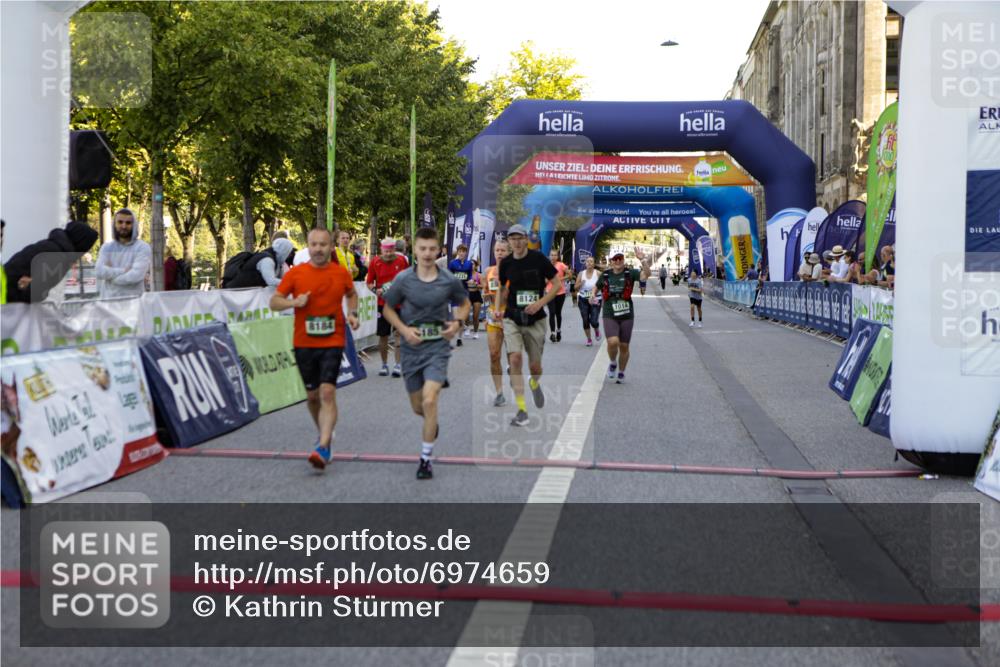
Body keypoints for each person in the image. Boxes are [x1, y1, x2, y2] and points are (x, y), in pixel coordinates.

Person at [381, 227, 470, 480]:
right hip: (411, 350)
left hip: (437, 349)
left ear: (439, 250)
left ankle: (425, 459)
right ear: (415, 250)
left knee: (430, 401)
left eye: (432, 249)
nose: (428, 254)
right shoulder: (403, 280)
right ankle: (432, 424)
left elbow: (463, 304)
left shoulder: (448, 279)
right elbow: (388, 310)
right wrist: (403, 330)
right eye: (423, 249)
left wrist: (457, 323)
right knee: (418, 407)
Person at [269, 228, 359, 471]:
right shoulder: (297, 274)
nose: (318, 249)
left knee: (328, 393)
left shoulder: (341, 273)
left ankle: (323, 445)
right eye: (314, 244)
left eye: (323, 244)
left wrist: (352, 313)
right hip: (304, 342)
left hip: (333, 340)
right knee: (312, 397)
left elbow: (352, 295)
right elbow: (274, 301)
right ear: (307, 246)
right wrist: (293, 302)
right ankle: (324, 435)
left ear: (331, 247)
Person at [498, 223, 560, 426]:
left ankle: (534, 382)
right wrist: (498, 308)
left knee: (535, 366)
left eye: (519, 238)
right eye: (512, 238)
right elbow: (501, 288)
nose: (516, 242)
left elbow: (557, 284)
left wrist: (540, 303)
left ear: (526, 239)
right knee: (515, 359)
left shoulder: (539, 258)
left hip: (536, 319)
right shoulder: (506, 263)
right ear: (509, 242)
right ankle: (522, 409)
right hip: (512, 317)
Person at [596, 250, 651, 384]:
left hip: (626, 314)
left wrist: (642, 260)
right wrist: (592, 295)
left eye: (620, 259)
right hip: (609, 312)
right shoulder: (605, 274)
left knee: (624, 346)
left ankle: (621, 371)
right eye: (615, 259)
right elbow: (597, 287)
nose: (618, 261)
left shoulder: (630, 273)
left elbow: (646, 275)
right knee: (613, 341)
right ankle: (613, 362)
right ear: (611, 262)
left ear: (623, 261)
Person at [367, 238, 409, 377]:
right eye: (386, 251)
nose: (388, 253)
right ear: (381, 250)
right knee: (383, 335)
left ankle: (398, 365)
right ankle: (384, 364)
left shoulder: (402, 261)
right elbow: (369, 283)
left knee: (399, 334)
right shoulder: (375, 262)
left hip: (399, 304)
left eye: (391, 250)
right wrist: (375, 291)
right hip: (382, 304)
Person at [95, 208, 152, 298]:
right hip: (108, 303)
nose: (124, 226)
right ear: (115, 224)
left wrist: (110, 276)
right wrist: (123, 271)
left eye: (128, 223)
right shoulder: (107, 247)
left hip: (133, 304)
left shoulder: (142, 247)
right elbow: (99, 271)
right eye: (120, 222)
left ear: (134, 225)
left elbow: (135, 276)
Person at [484, 239, 511, 406]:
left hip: (510, 317)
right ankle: (499, 393)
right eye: (497, 250)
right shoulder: (487, 271)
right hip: (493, 316)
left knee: (512, 356)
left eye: (503, 250)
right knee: (494, 355)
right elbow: (486, 291)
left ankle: (511, 365)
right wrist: (486, 295)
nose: (499, 253)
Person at [226, 237, 294, 288]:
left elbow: (280, 279)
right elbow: (271, 281)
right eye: (289, 252)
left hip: (246, 294)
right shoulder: (267, 260)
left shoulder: (277, 262)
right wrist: (292, 283)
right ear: (284, 251)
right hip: (237, 294)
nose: (289, 255)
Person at [448, 244, 477, 342]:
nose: (462, 253)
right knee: (457, 318)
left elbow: (469, 276)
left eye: (463, 252)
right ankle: (458, 333)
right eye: (460, 251)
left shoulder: (469, 264)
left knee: (461, 319)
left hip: (464, 293)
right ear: (457, 252)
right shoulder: (452, 263)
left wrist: (471, 280)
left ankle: (459, 338)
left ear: (466, 253)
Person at [574, 256, 602, 347]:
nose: (589, 263)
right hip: (583, 299)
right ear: (585, 263)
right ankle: (589, 339)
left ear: (594, 264)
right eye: (587, 261)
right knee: (585, 320)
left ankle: (596, 330)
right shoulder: (581, 274)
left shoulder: (598, 273)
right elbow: (575, 287)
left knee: (593, 321)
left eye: (591, 261)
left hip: (595, 299)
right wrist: (580, 284)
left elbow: (604, 285)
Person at [547, 248, 569, 342]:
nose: (553, 257)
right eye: (551, 255)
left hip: (560, 292)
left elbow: (570, 275)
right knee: (551, 313)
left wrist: (560, 279)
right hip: (549, 292)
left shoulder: (561, 265)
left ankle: (558, 330)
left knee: (558, 313)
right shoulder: (545, 266)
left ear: (558, 256)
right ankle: (552, 333)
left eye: (555, 255)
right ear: (549, 256)